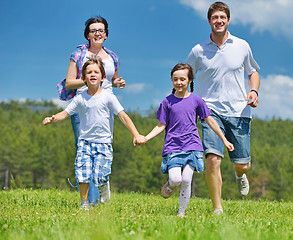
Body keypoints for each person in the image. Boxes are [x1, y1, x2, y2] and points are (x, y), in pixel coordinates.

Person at [186, 2, 260, 214]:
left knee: (243, 164)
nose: (218, 21)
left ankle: (239, 174)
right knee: (212, 158)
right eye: (214, 18)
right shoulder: (198, 50)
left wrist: (253, 92)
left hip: (239, 111)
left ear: (228, 20)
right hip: (210, 111)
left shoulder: (242, 46)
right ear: (209, 21)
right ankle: (217, 208)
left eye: (222, 17)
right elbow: (186, 74)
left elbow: (253, 73)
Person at [44, 58, 146, 210]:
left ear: (103, 77)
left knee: (100, 176)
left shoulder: (108, 97)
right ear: (83, 78)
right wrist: (52, 118)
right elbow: (65, 113)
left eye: (96, 72)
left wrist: (136, 134)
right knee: (82, 173)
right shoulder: (80, 98)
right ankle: (84, 204)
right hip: (84, 142)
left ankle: (104, 186)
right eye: (89, 72)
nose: (93, 74)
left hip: (103, 143)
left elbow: (123, 116)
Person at [139, 63, 234, 217]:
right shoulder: (167, 102)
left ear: (190, 80)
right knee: (176, 179)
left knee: (187, 179)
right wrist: (146, 138)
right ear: (171, 80)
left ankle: (181, 213)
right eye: (175, 79)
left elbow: (210, 121)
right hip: (173, 147)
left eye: (182, 79)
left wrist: (224, 139)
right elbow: (161, 125)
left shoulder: (197, 100)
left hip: (192, 145)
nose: (179, 82)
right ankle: (170, 184)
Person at [64, 16, 125, 204]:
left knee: (102, 150)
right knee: (83, 152)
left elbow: (112, 79)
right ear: (87, 34)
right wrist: (89, 78)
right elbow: (69, 83)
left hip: (105, 107)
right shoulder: (79, 55)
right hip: (82, 105)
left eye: (101, 30)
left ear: (106, 34)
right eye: (93, 30)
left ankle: (101, 187)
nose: (97, 33)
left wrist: (117, 82)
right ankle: (90, 201)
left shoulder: (112, 57)